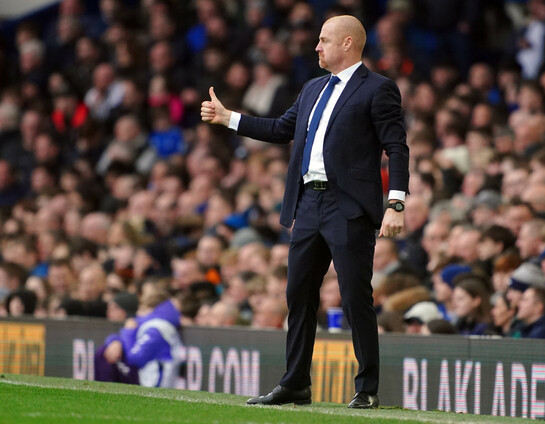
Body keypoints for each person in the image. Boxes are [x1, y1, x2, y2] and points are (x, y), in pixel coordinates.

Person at [201, 15, 409, 409]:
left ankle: (367, 388)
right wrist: (228, 118)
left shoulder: (379, 88)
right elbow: (282, 129)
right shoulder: (313, 87)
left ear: (348, 43)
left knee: (354, 297)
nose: (316, 47)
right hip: (308, 203)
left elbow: (396, 147)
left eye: (324, 40)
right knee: (298, 294)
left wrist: (395, 202)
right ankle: (295, 383)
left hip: (348, 207)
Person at [94, 286, 183, 388]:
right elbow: (126, 341)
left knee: (103, 353)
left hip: (157, 386)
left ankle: (104, 390)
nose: (138, 314)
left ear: (153, 309)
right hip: (149, 379)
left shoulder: (156, 329)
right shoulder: (152, 325)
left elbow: (135, 358)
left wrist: (128, 332)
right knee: (105, 350)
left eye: (142, 310)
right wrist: (115, 341)